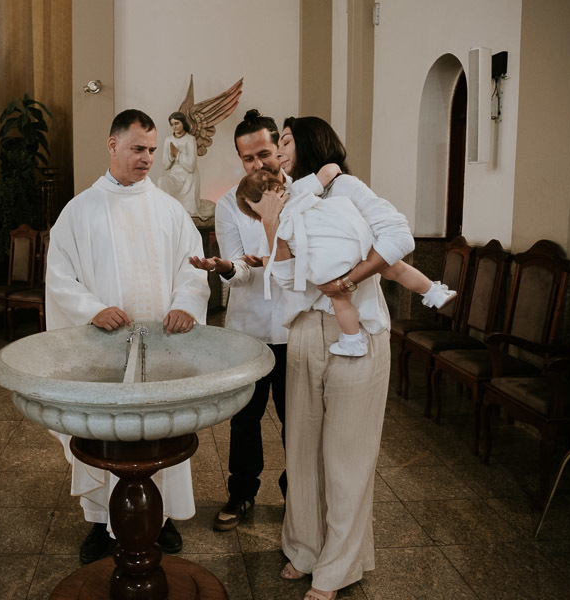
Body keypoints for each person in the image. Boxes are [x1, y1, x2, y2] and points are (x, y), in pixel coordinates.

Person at [248, 116, 415, 600]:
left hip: (356, 332)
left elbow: (399, 237)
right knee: (301, 451)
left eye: (285, 140)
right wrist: (272, 224)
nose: (278, 149)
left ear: (309, 144)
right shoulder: (288, 199)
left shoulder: (348, 189)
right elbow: (284, 280)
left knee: (346, 457)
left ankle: (337, 568)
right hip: (305, 331)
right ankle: (304, 548)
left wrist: (347, 281)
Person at [46, 109, 210, 564]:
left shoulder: (169, 209)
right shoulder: (80, 211)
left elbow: (192, 268)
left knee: (160, 428)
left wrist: (186, 304)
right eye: (138, 148)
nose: (147, 159)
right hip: (103, 351)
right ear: (112, 145)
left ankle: (163, 516)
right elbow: (59, 277)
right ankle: (102, 520)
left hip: (161, 349)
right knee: (107, 431)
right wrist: (92, 310)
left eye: (152, 150)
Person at [187, 110, 288, 532]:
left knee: (297, 419)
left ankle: (297, 495)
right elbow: (241, 268)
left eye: (264, 153)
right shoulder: (230, 202)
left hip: (294, 325)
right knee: (245, 418)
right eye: (248, 158)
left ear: (279, 148)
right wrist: (227, 267)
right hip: (248, 329)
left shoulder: (303, 194)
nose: (258, 164)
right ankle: (242, 492)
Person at [236, 167, 455, 356]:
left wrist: (268, 229)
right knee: (396, 269)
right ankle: (434, 291)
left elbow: (282, 266)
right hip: (353, 240)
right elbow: (329, 171)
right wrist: (333, 167)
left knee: (340, 299)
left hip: (327, 263)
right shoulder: (298, 190)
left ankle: (353, 341)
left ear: (253, 210)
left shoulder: (275, 225)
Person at [156, 111, 200, 218]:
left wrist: (178, 154)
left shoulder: (190, 139)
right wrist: (171, 156)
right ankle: (166, 212)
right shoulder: (168, 140)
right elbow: (165, 165)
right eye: (172, 124)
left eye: (177, 123)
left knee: (188, 212)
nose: (174, 127)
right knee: (161, 181)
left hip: (188, 178)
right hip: (174, 176)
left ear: (183, 123)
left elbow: (191, 166)